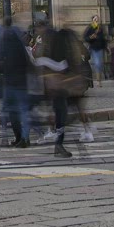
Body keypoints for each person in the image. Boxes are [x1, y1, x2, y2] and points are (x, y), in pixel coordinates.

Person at [35, 16, 80, 159]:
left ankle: (58, 143)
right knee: (61, 114)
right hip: (55, 86)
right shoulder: (50, 41)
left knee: (61, 114)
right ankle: (58, 144)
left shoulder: (51, 41)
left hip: (55, 86)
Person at [0, 18, 33, 149]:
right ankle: (23, 138)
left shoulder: (4, 42)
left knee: (13, 112)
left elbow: (1, 63)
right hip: (21, 81)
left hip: (11, 82)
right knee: (20, 112)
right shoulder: (19, 43)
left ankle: (20, 138)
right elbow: (26, 63)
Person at [84, 17, 109, 82]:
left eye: (97, 19)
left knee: (98, 64)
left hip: (99, 48)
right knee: (96, 63)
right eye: (95, 19)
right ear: (92, 21)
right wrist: (91, 37)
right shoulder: (90, 28)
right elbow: (85, 38)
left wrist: (106, 48)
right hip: (93, 48)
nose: (96, 20)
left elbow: (103, 39)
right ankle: (97, 80)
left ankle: (99, 79)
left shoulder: (101, 28)